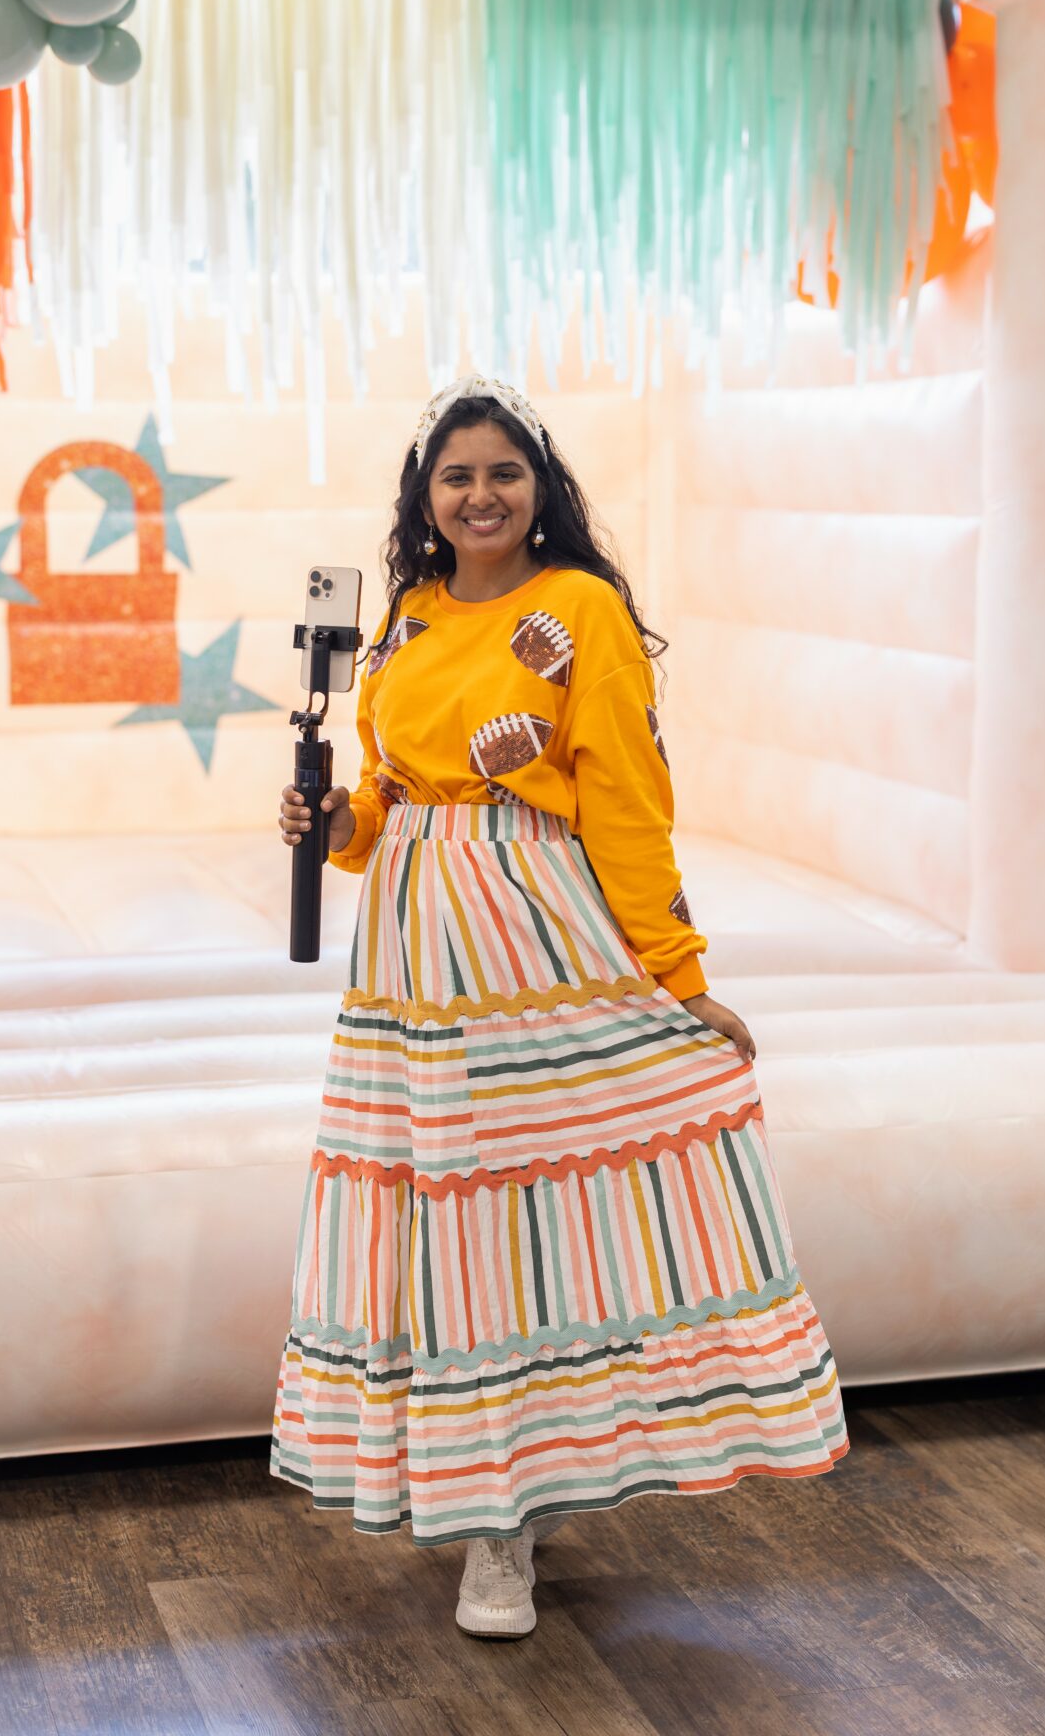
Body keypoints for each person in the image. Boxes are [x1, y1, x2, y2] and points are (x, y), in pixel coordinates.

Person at [270, 375, 849, 1639]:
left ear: (541, 491)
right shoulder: (409, 620)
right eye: (454, 476)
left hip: (536, 934)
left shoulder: (577, 607)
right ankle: (482, 1500)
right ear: (424, 502)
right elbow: (390, 795)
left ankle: (508, 1527)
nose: (479, 494)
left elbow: (626, 797)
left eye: (503, 473)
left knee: (516, 1221)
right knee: (443, 1229)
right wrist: (337, 824)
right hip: (411, 954)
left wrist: (678, 978)